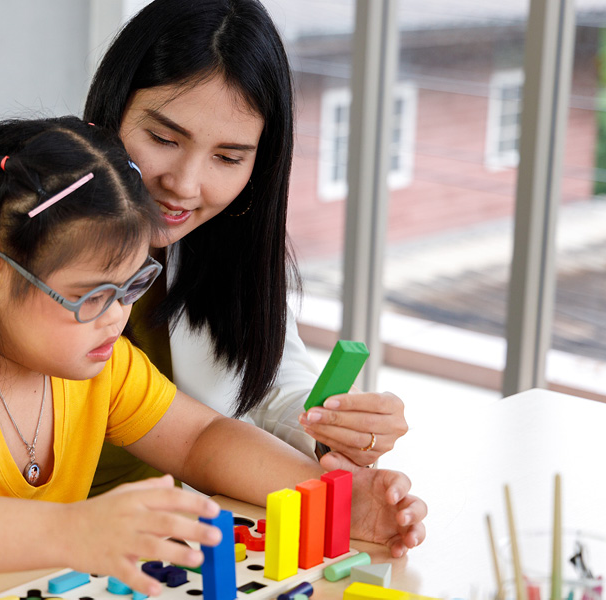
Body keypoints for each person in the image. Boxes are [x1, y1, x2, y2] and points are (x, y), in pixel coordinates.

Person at [0, 117, 426, 599]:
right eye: (90, 295)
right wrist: (72, 531)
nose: (116, 316)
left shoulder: (96, 363)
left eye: (131, 286)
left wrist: (334, 500)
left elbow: (201, 440)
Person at [83, 0, 408, 494]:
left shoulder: (225, 239)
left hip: (180, 537)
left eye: (228, 157)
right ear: (111, 109)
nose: (186, 185)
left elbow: (266, 381)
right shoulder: (21, 236)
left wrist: (332, 429)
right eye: (163, 138)